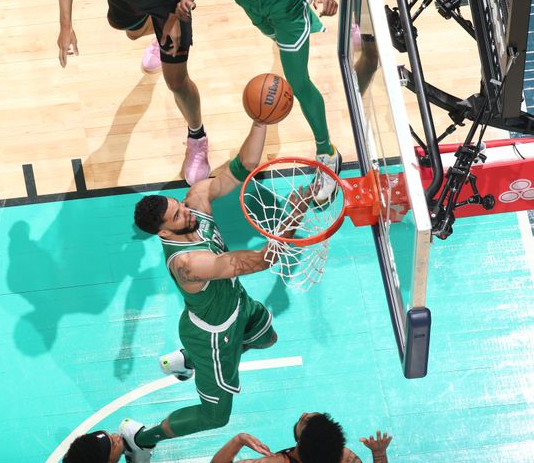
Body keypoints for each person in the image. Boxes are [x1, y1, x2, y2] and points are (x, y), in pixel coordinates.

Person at [117, 118, 313, 462]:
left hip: (237, 305)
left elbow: (242, 166)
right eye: (177, 217)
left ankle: (186, 361)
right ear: (163, 232)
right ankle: (141, 440)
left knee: (267, 339)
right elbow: (255, 262)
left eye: (179, 206)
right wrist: (294, 212)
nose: (186, 213)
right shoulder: (187, 264)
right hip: (214, 334)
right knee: (215, 415)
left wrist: (259, 120)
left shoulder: (194, 203)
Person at [177, 0, 351, 203]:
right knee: (275, 37)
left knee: (298, 82)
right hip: (253, 6)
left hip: (290, 7)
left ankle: (327, 152)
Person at [56, 0, 211, 184]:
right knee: (130, 33)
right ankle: (156, 36)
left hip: (168, 4)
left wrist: (174, 16)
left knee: (176, 83)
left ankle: (197, 137)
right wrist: (65, 26)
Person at [210, 412, 393, 463]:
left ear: (301, 442)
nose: (304, 413)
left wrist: (239, 439)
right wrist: (378, 455)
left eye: (303, 420)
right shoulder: (345, 457)